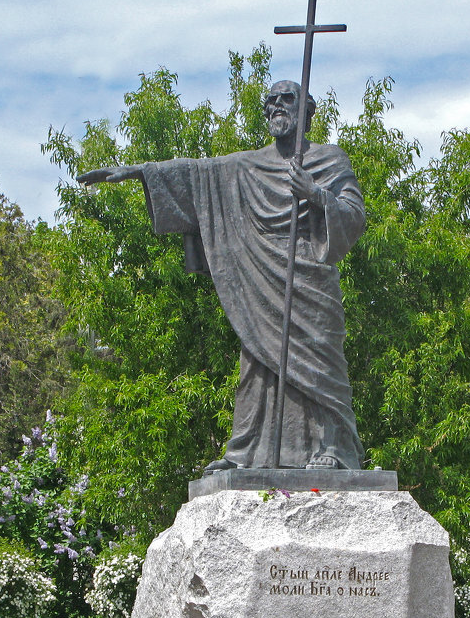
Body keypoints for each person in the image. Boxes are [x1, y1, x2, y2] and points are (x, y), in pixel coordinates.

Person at [77, 80, 366, 472]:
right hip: (261, 276)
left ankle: (331, 447)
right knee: (258, 364)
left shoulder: (330, 159)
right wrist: (139, 172)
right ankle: (249, 454)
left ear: (307, 111)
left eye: (286, 100)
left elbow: (354, 216)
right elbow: (197, 175)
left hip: (309, 273)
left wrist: (313, 192)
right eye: (270, 103)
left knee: (320, 362)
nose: (276, 108)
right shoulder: (249, 165)